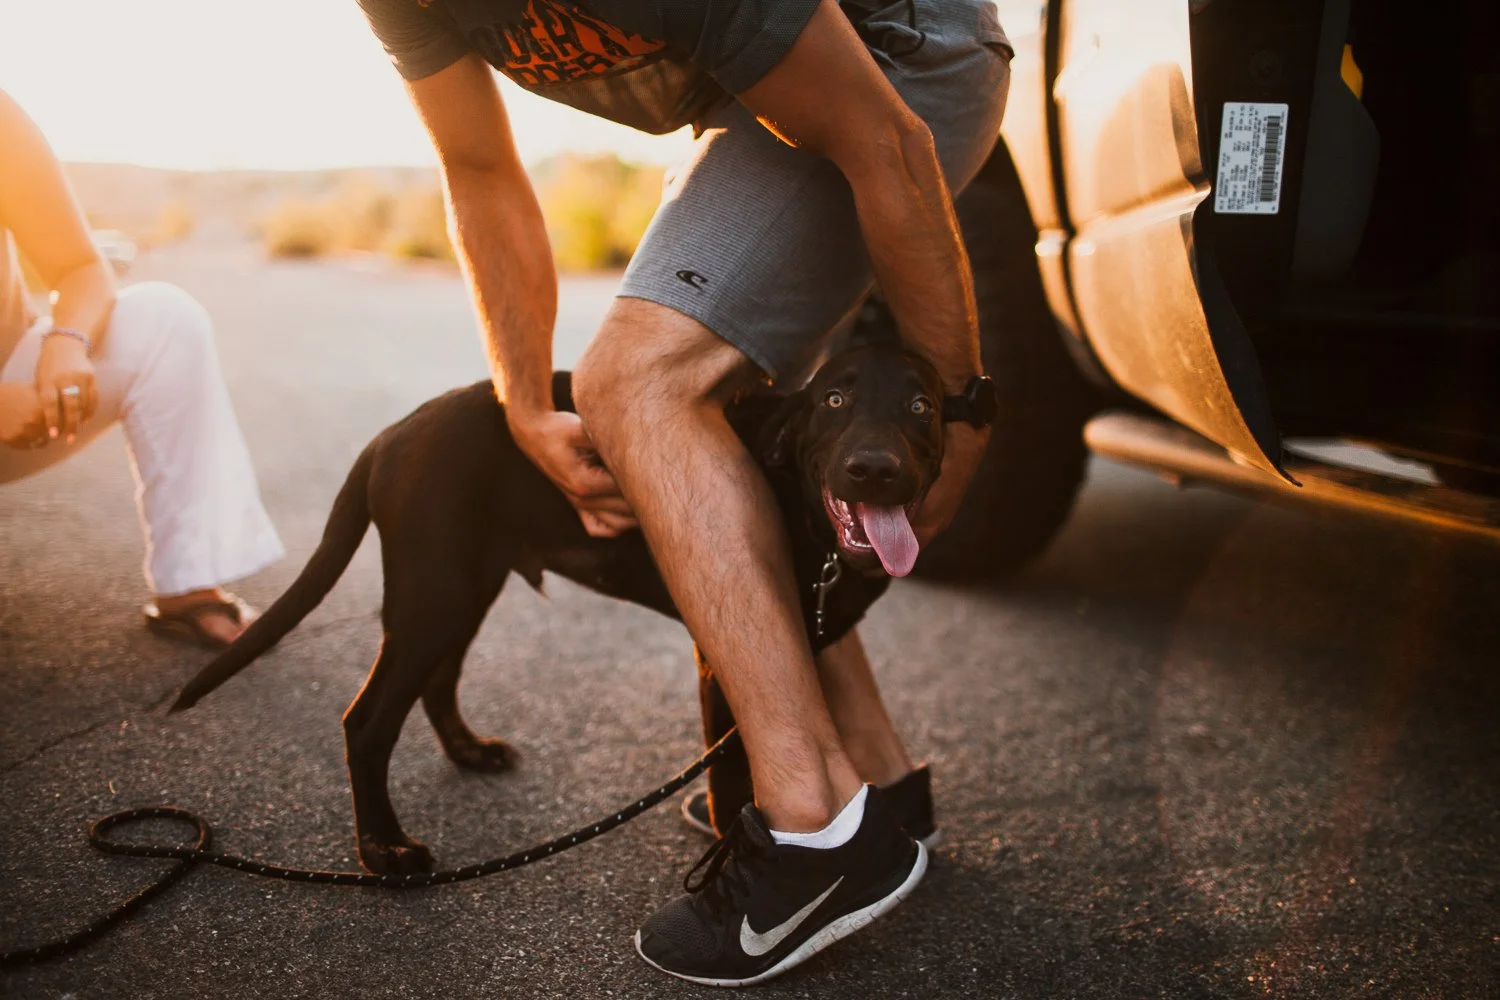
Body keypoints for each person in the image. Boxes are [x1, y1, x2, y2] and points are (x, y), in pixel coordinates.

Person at [357, 0, 1009, 984]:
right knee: (729, 431)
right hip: (751, 101)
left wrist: (962, 412)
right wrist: (525, 400)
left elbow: (886, 136)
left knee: (640, 380)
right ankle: (876, 778)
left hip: (900, 59)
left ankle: (813, 827)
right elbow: (480, 169)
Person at [0, 89, 284, 648]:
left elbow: (82, 265)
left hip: (17, 391)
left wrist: (66, 338)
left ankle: (189, 584)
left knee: (164, 320)